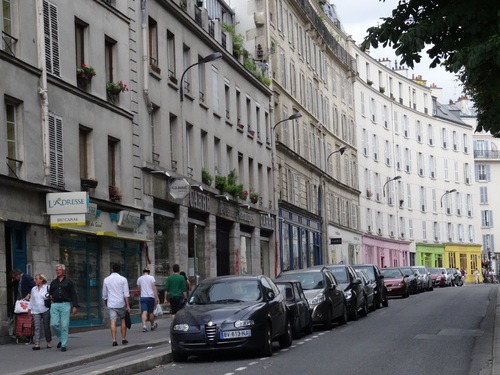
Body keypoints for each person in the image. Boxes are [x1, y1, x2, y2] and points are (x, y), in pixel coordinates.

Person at [49, 264, 79, 352]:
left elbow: (74, 294)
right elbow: (50, 293)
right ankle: (62, 339)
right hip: (55, 304)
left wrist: (75, 306)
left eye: (59, 270)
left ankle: (64, 345)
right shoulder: (53, 282)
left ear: (63, 271)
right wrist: (51, 302)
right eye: (57, 270)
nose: (58, 271)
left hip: (65, 304)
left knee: (64, 325)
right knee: (54, 324)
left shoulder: (69, 282)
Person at [102, 263, 130, 346]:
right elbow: (126, 294)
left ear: (112, 269)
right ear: (119, 270)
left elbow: (104, 294)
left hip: (111, 303)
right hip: (121, 303)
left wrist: (106, 302)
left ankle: (114, 340)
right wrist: (127, 305)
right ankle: (123, 338)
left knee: (113, 321)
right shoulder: (123, 279)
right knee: (122, 319)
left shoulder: (106, 280)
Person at [28, 274, 52, 350]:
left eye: (37, 279)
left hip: (45, 309)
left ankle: (48, 342)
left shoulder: (47, 287)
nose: (35, 280)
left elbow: (51, 296)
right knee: (37, 327)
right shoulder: (33, 289)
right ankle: (37, 344)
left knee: (46, 326)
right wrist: (29, 309)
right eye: (35, 279)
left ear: (41, 280)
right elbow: (31, 300)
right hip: (36, 310)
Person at [136, 268, 159, 333]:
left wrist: (140, 294)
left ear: (143, 272)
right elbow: (154, 288)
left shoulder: (139, 279)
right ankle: (152, 325)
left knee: (144, 311)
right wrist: (156, 298)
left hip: (143, 297)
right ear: (148, 272)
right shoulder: (151, 278)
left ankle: (144, 326)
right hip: (150, 297)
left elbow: (138, 288)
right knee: (151, 312)